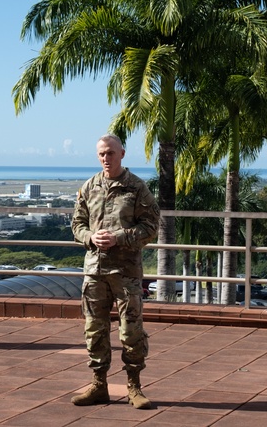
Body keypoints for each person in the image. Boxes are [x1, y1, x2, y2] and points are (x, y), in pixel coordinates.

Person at [70, 134, 160, 409]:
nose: (106, 158)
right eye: (101, 154)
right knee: (94, 330)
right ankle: (99, 385)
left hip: (126, 272)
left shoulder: (136, 188)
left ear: (122, 153)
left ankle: (134, 386)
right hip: (95, 271)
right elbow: (77, 224)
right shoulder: (89, 186)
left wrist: (119, 237)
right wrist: (89, 238)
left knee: (130, 332)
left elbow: (151, 227)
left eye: (110, 153)